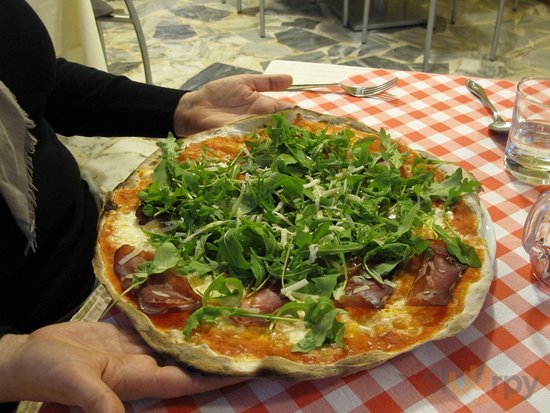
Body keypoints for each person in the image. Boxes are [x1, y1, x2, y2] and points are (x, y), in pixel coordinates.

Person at [0, 0, 293, 412]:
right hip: (40, 348)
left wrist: (177, 108)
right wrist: (9, 360)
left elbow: (30, 82)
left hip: (115, 253)